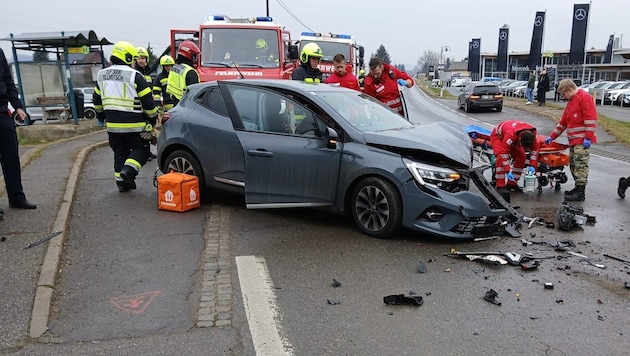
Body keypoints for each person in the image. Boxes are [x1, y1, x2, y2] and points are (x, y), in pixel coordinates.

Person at [93, 41, 158, 193]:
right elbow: (147, 102)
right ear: (128, 57)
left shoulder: (101, 75)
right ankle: (129, 171)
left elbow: (97, 100)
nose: (135, 62)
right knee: (141, 149)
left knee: (120, 152)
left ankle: (122, 183)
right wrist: (152, 120)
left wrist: (101, 117)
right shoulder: (135, 75)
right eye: (134, 59)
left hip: (113, 125)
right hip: (134, 124)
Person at [545, 79, 597, 201]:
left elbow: (590, 119)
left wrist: (588, 137)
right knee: (573, 165)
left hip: (582, 140)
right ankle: (577, 187)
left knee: (580, 165)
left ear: (569, 90)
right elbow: (563, 122)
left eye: (564, 94)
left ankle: (580, 191)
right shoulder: (572, 101)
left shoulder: (584, 98)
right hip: (574, 141)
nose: (563, 97)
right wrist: (552, 136)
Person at [0, 48, 37, 210]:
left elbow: (8, 81)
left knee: (11, 157)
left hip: (1, 112)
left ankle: (16, 197)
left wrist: (17, 106)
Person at [490, 120, 539, 196]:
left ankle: (512, 183)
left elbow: (534, 151)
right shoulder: (511, 134)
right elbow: (504, 153)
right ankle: (500, 186)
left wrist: (532, 165)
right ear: (520, 139)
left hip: (513, 137)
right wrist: (507, 170)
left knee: (522, 157)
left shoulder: (532, 134)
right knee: (500, 157)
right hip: (498, 136)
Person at [166, 40, 200, 106]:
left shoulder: (174, 68)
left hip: (175, 104)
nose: (196, 59)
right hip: (187, 106)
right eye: (195, 55)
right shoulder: (190, 72)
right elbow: (196, 95)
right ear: (190, 54)